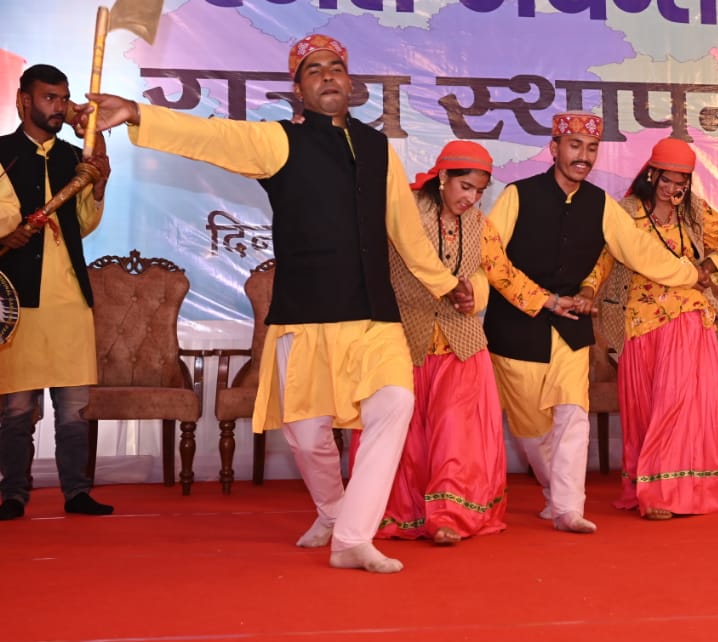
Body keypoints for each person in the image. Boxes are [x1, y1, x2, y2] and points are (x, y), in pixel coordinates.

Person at [86, 34, 468, 573]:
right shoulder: (279, 141)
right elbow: (211, 137)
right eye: (314, 70)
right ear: (298, 89)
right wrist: (137, 113)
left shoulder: (378, 148)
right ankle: (333, 512)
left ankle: (353, 538)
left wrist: (445, 283)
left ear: (350, 81)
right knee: (308, 436)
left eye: (336, 66)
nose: (327, 75)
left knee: (394, 406)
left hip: (373, 318)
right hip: (306, 315)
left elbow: (404, 230)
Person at [484, 111, 699, 534]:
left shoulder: (601, 204)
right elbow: (491, 257)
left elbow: (639, 250)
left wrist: (689, 274)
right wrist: (542, 300)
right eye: (575, 146)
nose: (583, 156)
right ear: (555, 148)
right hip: (517, 327)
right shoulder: (517, 195)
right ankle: (554, 492)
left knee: (572, 415)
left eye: (592, 148)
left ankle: (569, 507)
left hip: (572, 329)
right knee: (530, 427)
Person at [356, 140, 577, 546]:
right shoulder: (404, 211)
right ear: (443, 177)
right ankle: (402, 514)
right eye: (465, 187)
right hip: (403, 340)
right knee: (402, 437)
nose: (471, 198)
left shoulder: (479, 225)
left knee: (457, 437)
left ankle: (449, 517)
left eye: (479, 191)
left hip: (461, 345)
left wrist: (548, 301)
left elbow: (503, 274)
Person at [585, 138, 718, 520]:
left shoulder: (693, 211)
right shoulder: (626, 213)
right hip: (640, 322)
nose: (673, 189)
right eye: (667, 180)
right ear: (651, 174)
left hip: (688, 318)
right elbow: (603, 259)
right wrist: (588, 289)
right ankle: (653, 488)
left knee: (682, 407)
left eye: (682, 182)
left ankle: (673, 493)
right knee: (648, 410)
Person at [0, 64, 113, 521]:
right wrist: (6, 233)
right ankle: (13, 495)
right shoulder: (3, 154)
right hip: (18, 302)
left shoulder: (73, 158)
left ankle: (77, 493)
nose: (58, 107)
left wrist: (99, 182)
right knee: (16, 408)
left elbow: (83, 223)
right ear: (24, 100)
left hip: (69, 300)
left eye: (63, 99)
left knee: (74, 410)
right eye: (49, 98)